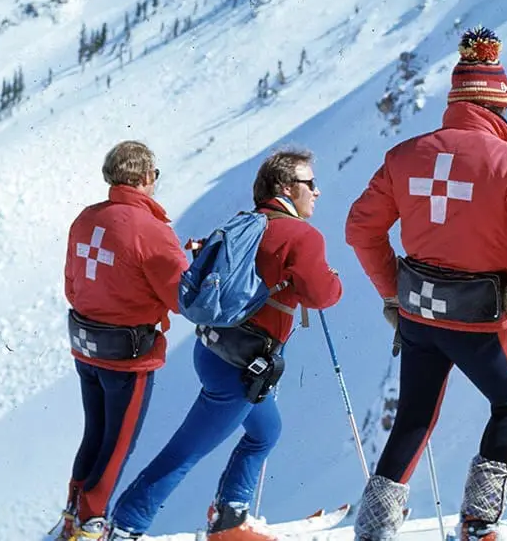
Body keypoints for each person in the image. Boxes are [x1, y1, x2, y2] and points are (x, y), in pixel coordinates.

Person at [344, 27, 507, 541]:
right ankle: (478, 524)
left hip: (419, 311)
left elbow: (361, 227)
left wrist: (390, 291)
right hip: (479, 316)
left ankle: (374, 530)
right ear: (497, 107)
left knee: (414, 419)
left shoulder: (405, 156)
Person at [107, 148, 343, 541]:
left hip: (217, 351)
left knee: (266, 431)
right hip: (244, 367)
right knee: (187, 450)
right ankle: (128, 525)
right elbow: (322, 295)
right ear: (286, 187)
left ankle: (230, 519)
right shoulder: (303, 236)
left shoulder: (243, 223)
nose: (316, 192)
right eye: (310, 184)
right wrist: (332, 278)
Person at [54, 141, 189, 541]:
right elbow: (180, 297)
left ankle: (72, 514)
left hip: (87, 346)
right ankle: (91, 523)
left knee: (94, 433)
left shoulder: (84, 220)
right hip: (128, 356)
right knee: (118, 445)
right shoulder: (153, 231)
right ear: (146, 178)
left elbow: (71, 285)